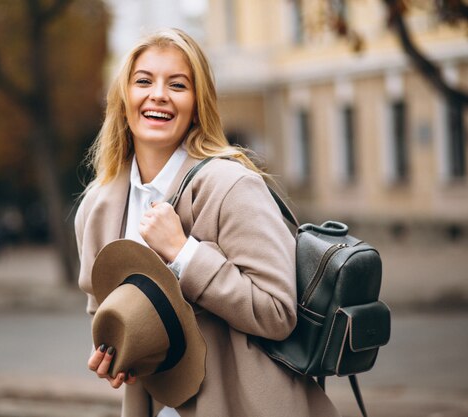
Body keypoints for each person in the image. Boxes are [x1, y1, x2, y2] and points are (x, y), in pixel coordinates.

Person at [75, 28, 340, 417]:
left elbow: (277, 313)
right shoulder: (98, 206)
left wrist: (185, 254)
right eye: (143, 81)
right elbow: (105, 311)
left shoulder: (232, 187)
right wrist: (118, 353)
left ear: (198, 104)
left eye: (177, 84)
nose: (159, 94)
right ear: (123, 98)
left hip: (246, 403)